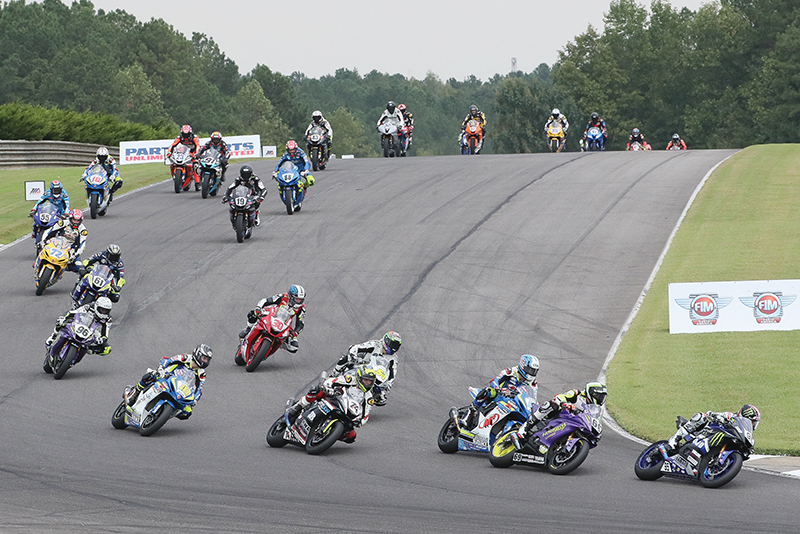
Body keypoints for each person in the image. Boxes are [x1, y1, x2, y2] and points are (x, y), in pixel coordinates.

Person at [286, 364, 380, 443]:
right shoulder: (349, 380)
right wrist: (329, 388)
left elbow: (366, 414)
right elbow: (331, 381)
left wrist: (359, 422)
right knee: (317, 391)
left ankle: (329, 435)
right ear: (359, 377)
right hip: (334, 399)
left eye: (370, 381)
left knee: (351, 436)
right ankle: (297, 407)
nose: (367, 383)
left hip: (346, 411)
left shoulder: (369, 397)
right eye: (365, 380)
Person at [125, 345, 213, 419]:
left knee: (187, 412)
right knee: (150, 376)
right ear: (197, 354)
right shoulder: (185, 358)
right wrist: (161, 369)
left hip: (179, 388)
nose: (205, 361)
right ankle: (135, 392)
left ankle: (164, 414)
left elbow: (199, 389)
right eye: (204, 358)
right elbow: (168, 360)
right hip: (167, 376)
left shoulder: (202, 374)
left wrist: (194, 401)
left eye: (207, 360)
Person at [460, 354, 540, 428]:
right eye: (530, 370)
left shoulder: (533, 382)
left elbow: (533, 395)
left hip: (514, 401)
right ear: (523, 366)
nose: (531, 373)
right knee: (488, 391)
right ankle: (470, 413)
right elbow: (495, 381)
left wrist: (535, 405)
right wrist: (499, 389)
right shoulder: (511, 371)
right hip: (500, 395)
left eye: (534, 371)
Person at [515, 381, 607, 442]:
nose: (601, 399)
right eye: (599, 396)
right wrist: (565, 403)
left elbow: (595, 420)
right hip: (558, 416)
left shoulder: (596, 409)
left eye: (602, 397)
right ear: (591, 393)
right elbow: (560, 397)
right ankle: (525, 427)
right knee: (550, 404)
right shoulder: (576, 394)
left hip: (574, 424)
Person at [333, 331, 402, 406]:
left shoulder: (394, 358)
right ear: (386, 340)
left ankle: (365, 404)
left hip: (374, 375)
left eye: (396, 346)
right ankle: (333, 375)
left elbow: (392, 375)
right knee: (346, 358)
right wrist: (353, 355)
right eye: (393, 344)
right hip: (360, 366)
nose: (394, 348)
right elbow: (354, 347)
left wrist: (387, 386)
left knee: (381, 396)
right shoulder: (375, 345)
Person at [238, 285, 306, 351]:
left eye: (300, 299)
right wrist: (258, 308)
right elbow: (266, 301)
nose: (298, 301)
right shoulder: (283, 296)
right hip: (273, 315)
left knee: (294, 347)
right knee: (252, 314)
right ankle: (248, 328)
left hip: (285, 323)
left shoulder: (302, 308)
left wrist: (294, 333)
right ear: (291, 296)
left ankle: (280, 344)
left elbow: (300, 324)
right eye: (296, 299)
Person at [667, 404, 760, 451]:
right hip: (705, 432)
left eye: (754, 423)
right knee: (701, 416)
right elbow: (710, 413)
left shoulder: (744, 432)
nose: (753, 424)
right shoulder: (730, 416)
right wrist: (717, 417)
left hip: (718, 442)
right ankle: (672, 442)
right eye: (752, 421)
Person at [44, 296, 112, 355]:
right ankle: (53, 336)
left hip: (93, 330)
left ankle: (88, 350)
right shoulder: (89, 307)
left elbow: (105, 335)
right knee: (61, 322)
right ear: (96, 306)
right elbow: (74, 312)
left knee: (107, 349)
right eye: (102, 309)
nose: (103, 312)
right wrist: (64, 317)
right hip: (80, 322)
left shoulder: (108, 319)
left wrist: (101, 340)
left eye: (106, 311)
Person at [166, 125, 201, 191]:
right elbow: (173, 145)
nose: (185, 136)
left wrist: (196, 154)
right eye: (184, 134)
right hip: (183, 153)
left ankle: (197, 183)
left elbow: (198, 146)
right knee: (172, 163)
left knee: (195, 165)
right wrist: (169, 152)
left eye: (187, 134)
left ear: (190, 133)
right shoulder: (179, 137)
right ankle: (175, 176)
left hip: (192, 153)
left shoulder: (194, 137)